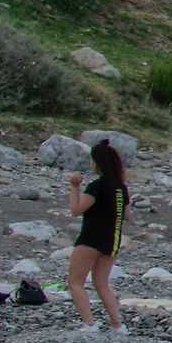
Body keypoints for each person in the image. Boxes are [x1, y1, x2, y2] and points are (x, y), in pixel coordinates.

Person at [65, 140, 128, 331]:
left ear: (98, 162)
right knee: (102, 283)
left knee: (75, 282)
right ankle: (117, 325)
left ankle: (89, 323)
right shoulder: (121, 188)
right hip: (111, 240)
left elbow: (76, 210)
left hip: (91, 238)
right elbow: (126, 215)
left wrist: (74, 186)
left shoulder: (97, 186)